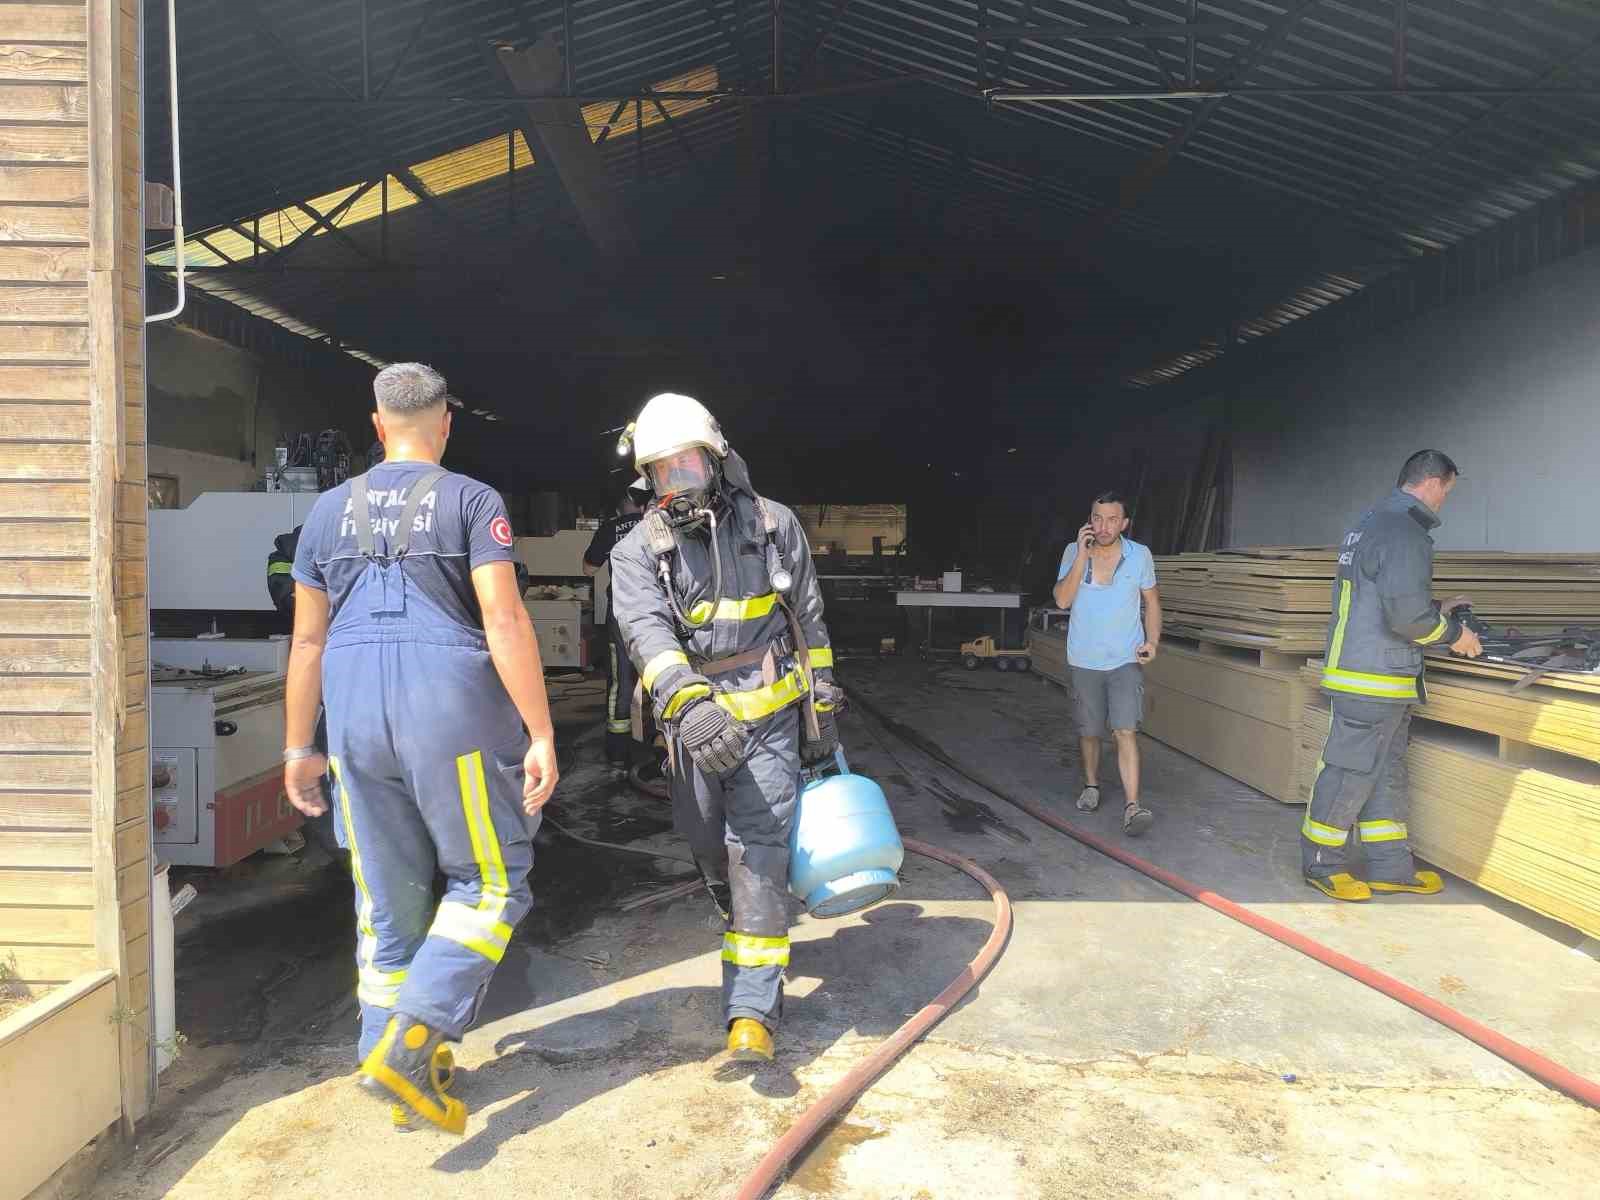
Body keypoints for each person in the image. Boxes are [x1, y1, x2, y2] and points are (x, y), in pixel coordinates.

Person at [281, 362, 558, 1133]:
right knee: (492, 882)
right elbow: (503, 621)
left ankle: (384, 1056)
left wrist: (298, 746)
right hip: (448, 707)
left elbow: (307, 640)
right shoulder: (472, 501)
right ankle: (414, 1043)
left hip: (352, 711)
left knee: (388, 902)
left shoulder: (324, 512)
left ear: (376, 425)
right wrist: (540, 730)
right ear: (445, 424)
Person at [609, 392, 839, 1063]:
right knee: (712, 852)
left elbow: (811, 621)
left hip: (769, 719)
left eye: (686, 465)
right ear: (647, 479)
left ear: (716, 459)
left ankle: (752, 1014)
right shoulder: (635, 553)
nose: (675, 482)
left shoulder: (773, 526)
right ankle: (740, 922)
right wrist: (686, 701)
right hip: (697, 731)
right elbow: (645, 631)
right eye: (661, 472)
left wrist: (820, 708)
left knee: (758, 854)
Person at [1302, 450, 1483, 902]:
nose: (1445, 501)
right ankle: (1321, 863)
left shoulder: (1372, 521)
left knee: (1383, 774)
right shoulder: (1405, 531)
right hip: (1373, 677)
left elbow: (1381, 596)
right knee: (1349, 772)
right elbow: (1406, 619)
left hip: (1377, 675)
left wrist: (1436, 609)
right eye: (1448, 491)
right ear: (1435, 482)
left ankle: (1390, 866)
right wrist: (1455, 634)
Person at [1052, 491, 1161, 837]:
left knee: (1125, 729)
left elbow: (1153, 603)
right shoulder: (1073, 551)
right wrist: (1081, 555)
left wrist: (1152, 642)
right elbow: (1063, 599)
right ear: (1089, 520)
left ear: (1124, 523)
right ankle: (1092, 785)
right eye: (1097, 518)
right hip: (1084, 659)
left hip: (1125, 658)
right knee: (1089, 730)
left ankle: (1133, 806)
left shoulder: (1139, 555)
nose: (1104, 526)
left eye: (1112, 519)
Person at [584, 479, 650, 766]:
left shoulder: (611, 528)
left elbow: (588, 568)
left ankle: (619, 751)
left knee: (621, 680)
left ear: (623, 502)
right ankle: (660, 747)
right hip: (659, 611)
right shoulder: (657, 524)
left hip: (621, 613)